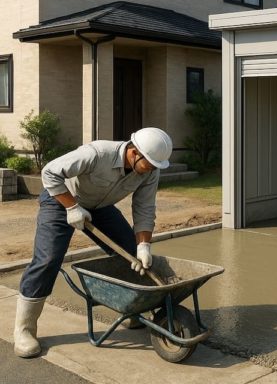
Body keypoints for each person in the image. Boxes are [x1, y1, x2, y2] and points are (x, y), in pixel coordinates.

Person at [13, 127, 173, 358]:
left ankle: (130, 310)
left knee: (130, 255)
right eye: (149, 164)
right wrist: (71, 207)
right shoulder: (97, 153)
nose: (151, 170)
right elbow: (49, 172)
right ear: (134, 152)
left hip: (100, 208)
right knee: (47, 259)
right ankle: (24, 329)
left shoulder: (150, 171)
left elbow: (145, 208)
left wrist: (143, 246)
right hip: (59, 200)